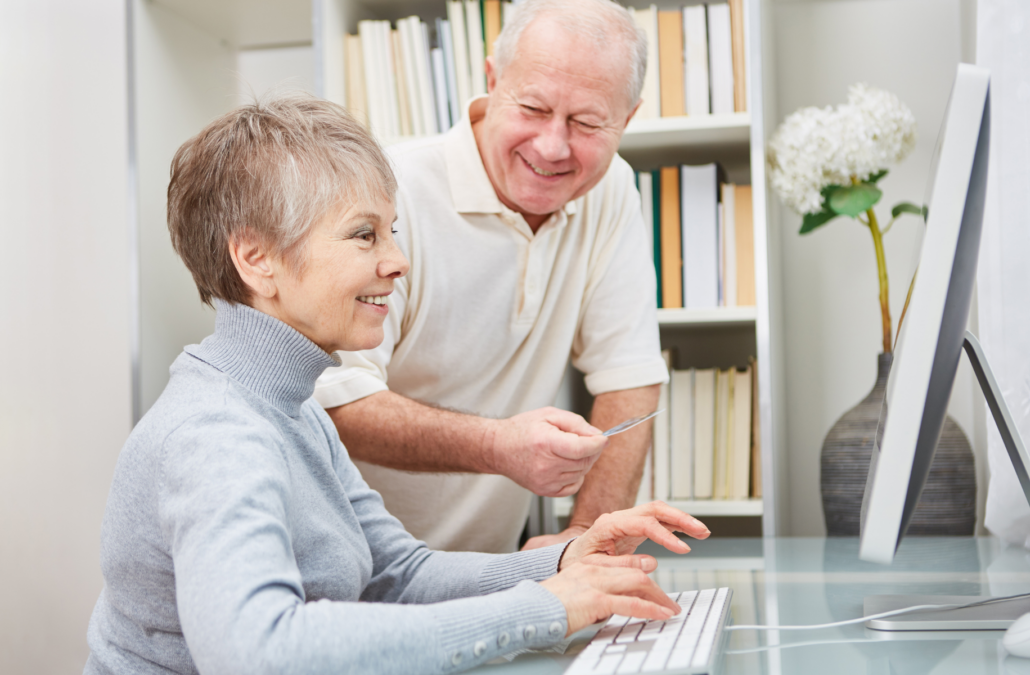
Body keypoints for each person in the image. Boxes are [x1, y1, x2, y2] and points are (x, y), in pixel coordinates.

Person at [84, 94, 709, 675]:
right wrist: (545, 609)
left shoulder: (291, 406)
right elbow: (259, 650)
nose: (397, 261)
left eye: (392, 231)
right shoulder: (217, 432)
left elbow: (395, 574)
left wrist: (565, 562)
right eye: (364, 234)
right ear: (256, 259)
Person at [316, 0, 667, 554]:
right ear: (492, 79)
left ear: (627, 117)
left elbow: (631, 380)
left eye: (587, 122)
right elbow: (339, 404)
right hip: (351, 576)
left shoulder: (611, 190)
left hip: (489, 577)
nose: (553, 147)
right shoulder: (391, 190)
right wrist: (498, 445)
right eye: (531, 107)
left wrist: (584, 542)